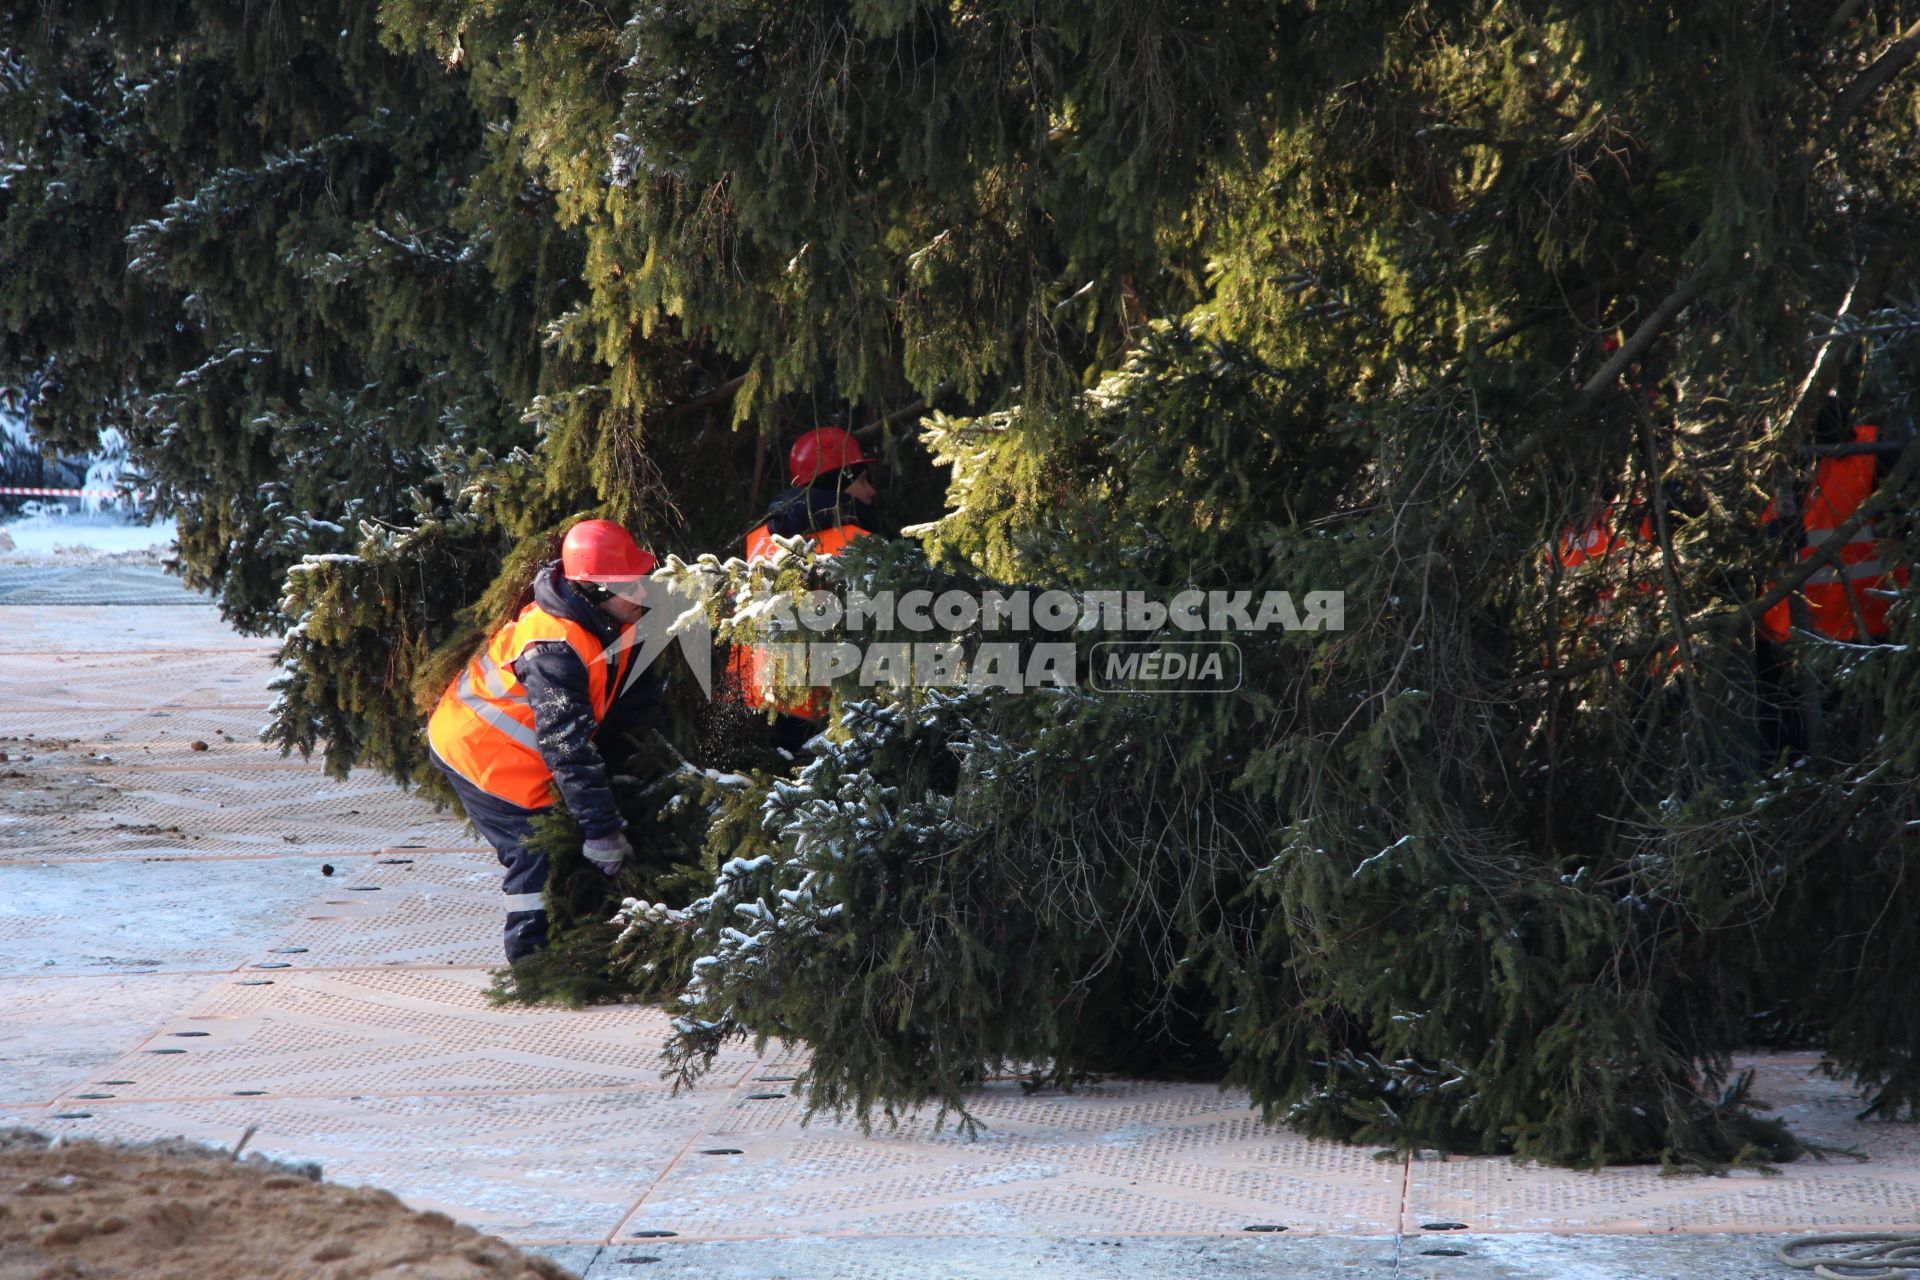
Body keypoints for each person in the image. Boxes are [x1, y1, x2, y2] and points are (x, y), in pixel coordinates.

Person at [426, 519, 663, 963]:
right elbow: (567, 745)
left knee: (561, 835)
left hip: (523, 747)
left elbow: (631, 711)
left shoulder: (618, 621)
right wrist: (602, 830)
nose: (644, 592)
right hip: (483, 752)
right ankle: (532, 963)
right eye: (631, 584)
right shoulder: (554, 648)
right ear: (594, 592)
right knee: (532, 850)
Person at [732, 426, 878, 750]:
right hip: (822, 713)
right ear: (839, 481)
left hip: (754, 701)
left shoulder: (758, 539)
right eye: (863, 480)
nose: (872, 492)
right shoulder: (856, 542)